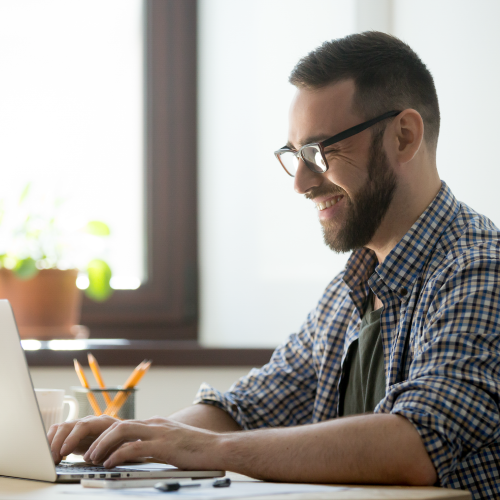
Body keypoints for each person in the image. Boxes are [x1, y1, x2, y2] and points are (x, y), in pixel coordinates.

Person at [48, 32, 500, 499]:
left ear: (403, 137)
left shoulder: (480, 271)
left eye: (320, 152)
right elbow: (247, 409)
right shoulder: (352, 289)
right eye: (295, 155)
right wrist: (137, 438)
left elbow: (416, 445)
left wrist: (207, 449)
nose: (302, 182)